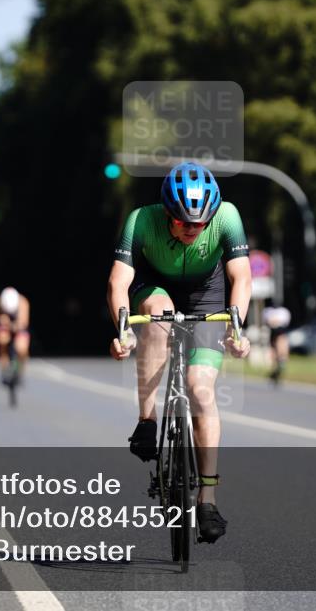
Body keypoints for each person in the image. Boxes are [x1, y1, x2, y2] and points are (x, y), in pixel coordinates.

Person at [107, 162, 251, 544]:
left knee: (200, 388)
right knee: (159, 315)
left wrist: (238, 329)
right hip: (155, 285)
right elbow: (118, 282)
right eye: (184, 222)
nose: (192, 229)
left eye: (200, 224)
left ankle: (207, 498)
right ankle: (148, 419)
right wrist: (123, 332)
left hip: (208, 292)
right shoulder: (140, 221)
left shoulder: (228, 217)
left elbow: (242, 277)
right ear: (167, 214)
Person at [0, 287, 31, 382]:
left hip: (18, 326)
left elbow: (23, 323)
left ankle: (20, 370)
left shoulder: (23, 303)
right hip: (6, 326)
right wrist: (2, 320)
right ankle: (4, 367)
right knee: (2, 339)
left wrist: (12, 325)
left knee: (21, 348)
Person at [262, 304, 292, 384]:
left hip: (281, 333)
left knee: (282, 348)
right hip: (273, 334)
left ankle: (281, 361)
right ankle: (275, 369)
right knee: (273, 353)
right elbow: (269, 321)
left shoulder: (284, 311)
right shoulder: (268, 311)